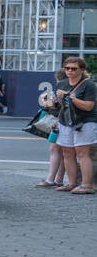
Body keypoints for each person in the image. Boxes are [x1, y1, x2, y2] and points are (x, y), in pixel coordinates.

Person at [49, 56, 96, 194]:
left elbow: (89, 106)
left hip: (84, 121)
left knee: (82, 152)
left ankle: (86, 185)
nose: (70, 71)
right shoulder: (62, 84)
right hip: (65, 121)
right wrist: (53, 105)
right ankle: (72, 183)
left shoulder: (89, 85)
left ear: (82, 69)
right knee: (67, 153)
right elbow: (61, 106)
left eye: (73, 68)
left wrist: (70, 97)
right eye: (67, 68)